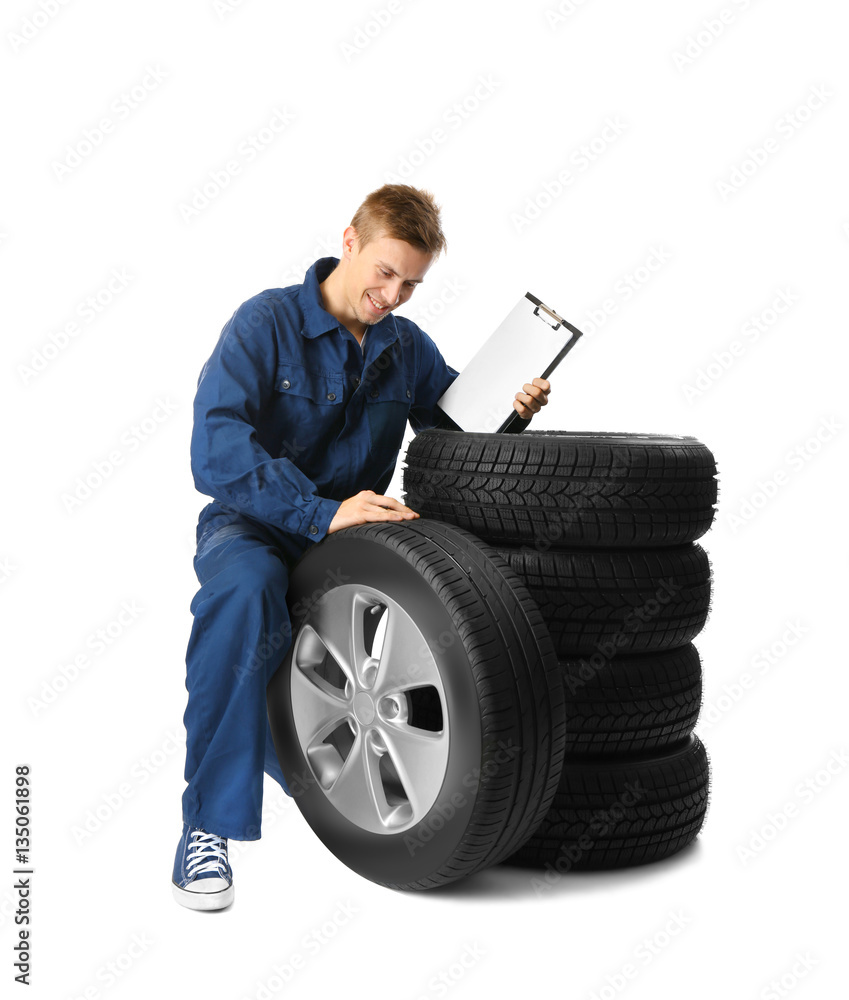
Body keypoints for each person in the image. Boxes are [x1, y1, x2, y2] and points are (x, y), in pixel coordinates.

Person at [172, 183, 551, 910]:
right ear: (349, 240)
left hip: (362, 537)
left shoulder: (403, 347)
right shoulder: (265, 323)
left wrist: (511, 407)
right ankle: (206, 828)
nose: (392, 295)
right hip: (256, 524)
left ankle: (334, 766)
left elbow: (451, 436)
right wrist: (317, 510)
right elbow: (213, 454)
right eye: (383, 272)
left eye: (410, 283)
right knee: (244, 598)